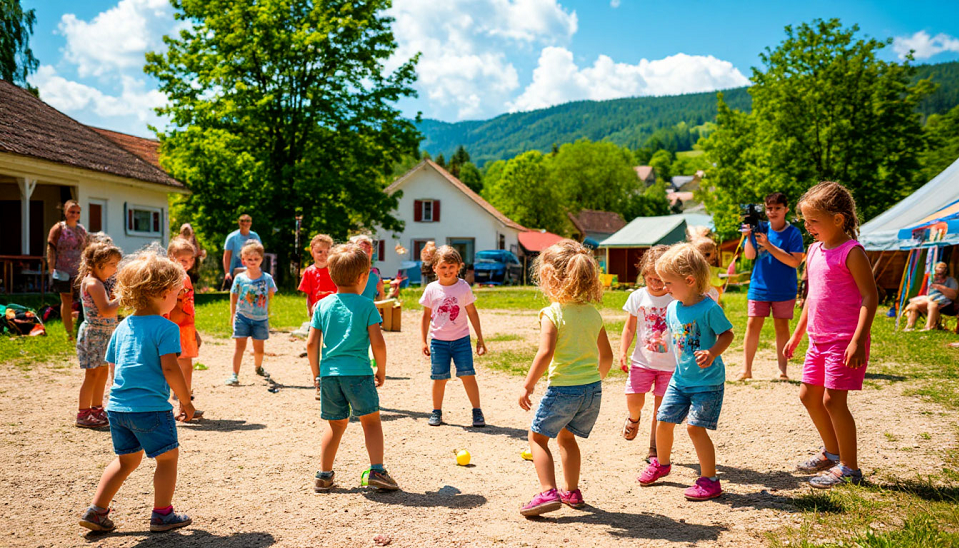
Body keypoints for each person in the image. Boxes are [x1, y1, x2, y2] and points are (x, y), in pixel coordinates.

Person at [78, 251, 195, 534]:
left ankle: (97, 510)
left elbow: (114, 366)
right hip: (151, 409)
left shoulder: (122, 326)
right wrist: (185, 401)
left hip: (118, 408)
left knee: (126, 460)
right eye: (177, 294)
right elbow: (170, 368)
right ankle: (163, 515)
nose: (178, 299)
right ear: (163, 293)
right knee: (167, 458)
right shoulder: (166, 328)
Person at [785, 181, 877, 489]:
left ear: (838, 219)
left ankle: (850, 467)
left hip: (844, 340)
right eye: (805, 220)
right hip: (818, 339)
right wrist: (797, 335)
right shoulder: (813, 250)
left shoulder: (852, 252)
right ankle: (832, 452)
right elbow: (812, 297)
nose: (807, 226)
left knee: (833, 401)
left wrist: (858, 340)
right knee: (807, 395)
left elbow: (870, 297)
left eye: (813, 221)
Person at [518, 240, 613, 517]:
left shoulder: (553, 313)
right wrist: (594, 381)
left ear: (549, 277)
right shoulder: (593, 313)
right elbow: (606, 356)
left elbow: (545, 353)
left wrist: (527, 385)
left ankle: (548, 492)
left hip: (563, 389)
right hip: (591, 390)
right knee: (567, 438)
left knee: (537, 438)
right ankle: (572, 491)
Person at [638, 243, 734, 501]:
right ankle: (662, 464)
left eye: (669, 283)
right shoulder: (673, 307)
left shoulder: (709, 308)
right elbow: (675, 333)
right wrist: (660, 339)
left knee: (694, 428)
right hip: (680, 380)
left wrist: (712, 352)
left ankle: (710, 480)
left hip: (707, 383)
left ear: (689, 280)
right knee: (663, 420)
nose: (664, 287)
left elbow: (727, 334)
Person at [306, 243, 399, 492]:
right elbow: (378, 343)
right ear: (363, 276)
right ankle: (377, 471)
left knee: (335, 424)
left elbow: (311, 343)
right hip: (358, 373)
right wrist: (381, 370)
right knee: (371, 421)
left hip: (329, 376)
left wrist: (317, 375)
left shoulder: (322, 305)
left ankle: (324, 475)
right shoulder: (366, 305)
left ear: (331, 274)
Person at [739, 192, 805, 381]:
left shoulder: (793, 233)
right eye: (769, 208)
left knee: (781, 327)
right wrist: (747, 236)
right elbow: (750, 256)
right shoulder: (760, 228)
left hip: (784, 289)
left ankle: (782, 370)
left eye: (777, 208)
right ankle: (746, 370)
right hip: (758, 287)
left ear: (786, 209)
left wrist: (768, 245)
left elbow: (795, 262)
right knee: (752, 325)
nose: (773, 212)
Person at [420, 246, 488, 427]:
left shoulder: (463, 287)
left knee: (468, 375)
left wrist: (480, 338)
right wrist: (423, 340)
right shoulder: (431, 289)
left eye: (452, 267)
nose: (447, 271)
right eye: (443, 267)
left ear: (459, 267)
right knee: (439, 378)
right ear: (434, 268)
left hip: (461, 341)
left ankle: (477, 411)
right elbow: (426, 316)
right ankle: (436, 411)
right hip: (438, 342)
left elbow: (472, 312)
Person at [618, 245, 675, 462]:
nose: (656, 284)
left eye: (661, 280)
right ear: (644, 275)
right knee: (633, 398)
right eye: (651, 279)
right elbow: (629, 328)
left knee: (661, 410)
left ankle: (654, 448)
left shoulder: (676, 298)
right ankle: (634, 418)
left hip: (670, 365)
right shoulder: (637, 297)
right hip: (642, 361)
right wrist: (623, 351)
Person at [74, 242, 122, 429]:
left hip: (103, 334)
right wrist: (124, 298)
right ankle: (83, 413)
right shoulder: (93, 283)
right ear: (99, 265)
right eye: (112, 264)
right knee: (92, 374)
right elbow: (106, 310)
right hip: (94, 335)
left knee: (102, 372)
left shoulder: (98, 282)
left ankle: (96, 409)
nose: (115, 269)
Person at [226, 241, 277, 386]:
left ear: (261, 259)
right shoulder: (240, 278)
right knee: (239, 346)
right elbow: (234, 295)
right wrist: (233, 313)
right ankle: (234, 374)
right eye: (249, 259)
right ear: (243, 260)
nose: (253, 261)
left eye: (256, 259)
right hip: (242, 317)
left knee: (259, 349)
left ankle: (258, 367)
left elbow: (271, 293)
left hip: (260, 319)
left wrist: (266, 306)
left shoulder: (267, 278)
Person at [164, 238, 204, 419]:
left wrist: (193, 331)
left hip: (186, 329)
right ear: (171, 257)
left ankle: (184, 404)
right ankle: (174, 405)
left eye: (190, 259)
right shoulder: (172, 279)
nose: (187, 263)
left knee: (186, 366)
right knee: (171, 366)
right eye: (182, 259)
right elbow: (170, 307)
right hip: (173, 328)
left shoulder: (186, 277)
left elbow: (187, 308)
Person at [47, 200, 88, 339]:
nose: (74, 214)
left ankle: (82, 328)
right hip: (62, 269)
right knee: (66, 299)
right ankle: (69, 332)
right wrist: (51, 267)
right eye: (72, 211)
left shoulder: (81, 230)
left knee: (83, 298)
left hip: (78, 270)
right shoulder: (58, 228)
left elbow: (86, 249)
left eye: (77, 212)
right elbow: (51, 248)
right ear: (65, 212)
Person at [903, 262, 958, 331]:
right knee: (914, 305)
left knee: (932, 305)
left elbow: (953, 295)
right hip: (930, 299)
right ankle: (910, 326)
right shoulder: (932, 279)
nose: (939, 275)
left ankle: (929, 327)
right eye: (937, 272)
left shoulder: (951, 281)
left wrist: (941, 288)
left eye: (941, 272)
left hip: (945, 302)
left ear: (945, 271)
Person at [298, 234, 337, 317]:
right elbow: (308, 296)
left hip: (334, 311)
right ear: (312, 252)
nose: (324, 255)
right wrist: (310, 312)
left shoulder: (335, 270)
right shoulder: (309, 272)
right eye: (320, 252)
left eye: (327, 252)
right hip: (317, 312)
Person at [222, 214, 260, 285]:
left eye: (247, 221)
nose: (245, 223)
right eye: (242, 221)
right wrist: (227, 272)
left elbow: (259, 253)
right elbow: (227, 256)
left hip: (251, 267)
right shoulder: (232, 237)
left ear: (250, 223)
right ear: (238, 222)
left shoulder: (255, 236)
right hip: (235, 270)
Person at [689, 232, 723, 304]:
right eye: (707, 254)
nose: (713, 257)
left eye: (715, 254)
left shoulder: (712, 269)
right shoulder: (693, 271)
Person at [351, 235, 385, 301]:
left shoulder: (375, 273)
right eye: (362, 247)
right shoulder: (350, 272)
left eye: (368, 247)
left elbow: (379, 300)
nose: (366, 250)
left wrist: (381, 292)